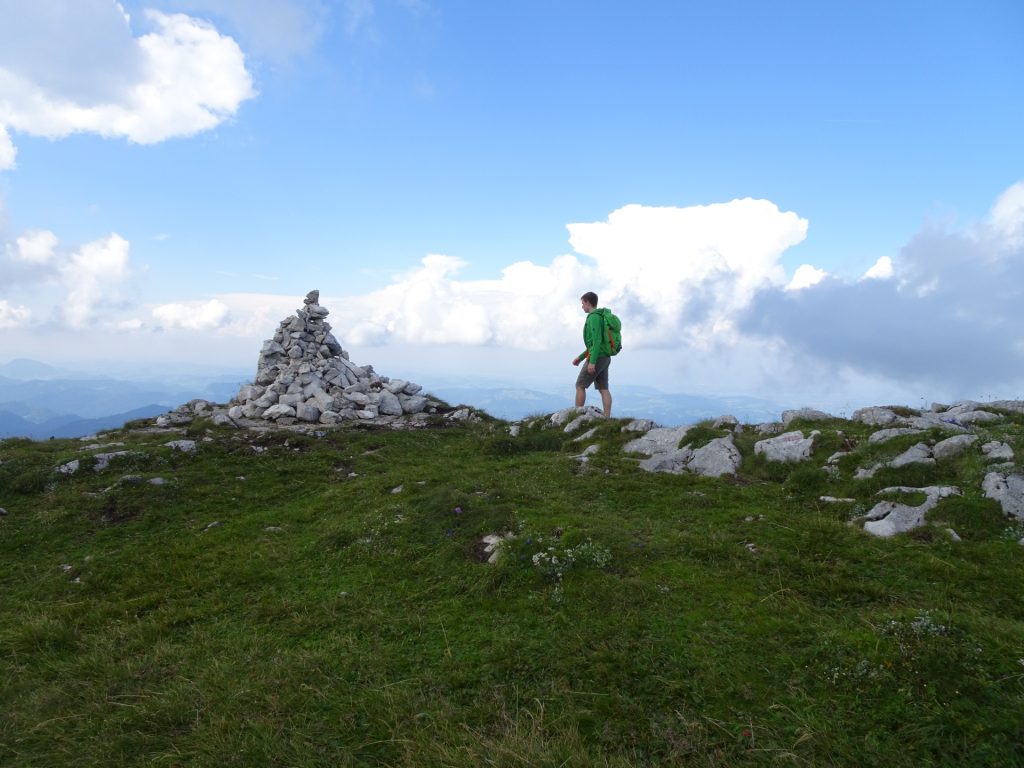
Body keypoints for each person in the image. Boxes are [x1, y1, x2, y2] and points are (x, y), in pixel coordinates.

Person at [571, 291, 613, 417]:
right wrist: (580, 357)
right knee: (603, 389)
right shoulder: (600, 316)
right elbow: (595, 344)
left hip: (597, 357)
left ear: (588, 302)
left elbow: (597, 341)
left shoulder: (594, 317)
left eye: (583, 303)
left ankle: (576, 415)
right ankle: (607, 418)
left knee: (580, 385)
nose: (582, 306)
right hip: (605, 357)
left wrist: (592, 362)